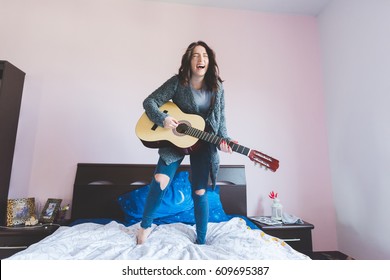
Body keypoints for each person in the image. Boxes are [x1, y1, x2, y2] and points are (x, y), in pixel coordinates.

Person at [137, 41, 234, 245]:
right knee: (160, 179)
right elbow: (149, 102)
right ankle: (145, 227)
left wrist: (224, 139)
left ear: (210, 61)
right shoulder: (177, 82)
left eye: (205, 55)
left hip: (204, 140)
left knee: (199, 191)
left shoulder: (217, 86)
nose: (201, 59)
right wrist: (163, 119)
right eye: (196, 56)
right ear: (189, 61)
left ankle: (201, 239)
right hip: (176, 137)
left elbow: (221, 117)